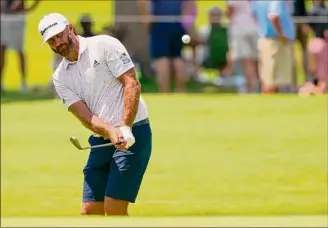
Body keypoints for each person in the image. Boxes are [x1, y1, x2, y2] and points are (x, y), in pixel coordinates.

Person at [38, 13, 152, 215]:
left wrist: (124, 126)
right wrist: (110, 130)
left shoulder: (104, 45)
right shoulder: (60, 77)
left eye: (59, 35)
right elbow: (85, 116)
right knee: (90, 211)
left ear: (70, 29)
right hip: (103, 140)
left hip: (134, 131)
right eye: (51, 41)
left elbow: (132, 82)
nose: (58, 43)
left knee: (114, 207)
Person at [138, 0, 187, 93]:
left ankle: (164, 90)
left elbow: (142, 1)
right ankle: (180, 89)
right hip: (177, 23)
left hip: (159, 23)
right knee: (177, 57)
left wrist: (145, 17)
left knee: (161, 58)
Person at [251, 0, 295, 94]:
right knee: (275, 74)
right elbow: (273, 16)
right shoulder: (276, 1)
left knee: (267, 71)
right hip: (276, 40)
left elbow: (254, 15)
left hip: (265, 38)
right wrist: (281, 34)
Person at [0, 0, 40, 93]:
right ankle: (1, 82)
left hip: (16, 19)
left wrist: (29, 7)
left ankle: (23, 82)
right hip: (3, 18)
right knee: (2, 49)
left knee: (19, 50)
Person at [226, 0, 259, 93]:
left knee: (247, 60)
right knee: (254, 59)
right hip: (255, 28)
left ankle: (252, 85)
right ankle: (255, 83)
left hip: (239, 29)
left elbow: (230, 11)